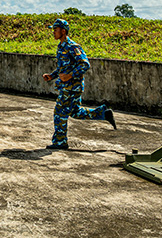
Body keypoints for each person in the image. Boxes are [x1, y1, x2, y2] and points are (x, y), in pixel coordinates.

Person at [42, 18, 116, 150]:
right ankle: (103, 113)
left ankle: (60, 142)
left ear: (63, 31)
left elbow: (85, 64)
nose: (53, 32)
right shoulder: (61, 46)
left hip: (72, 87)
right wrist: (51, 76)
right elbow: (62, 68)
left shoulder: (73, 47)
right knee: (75, 112)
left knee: (59, 112)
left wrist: (70, 75)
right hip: (67, 87)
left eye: (55, 30)